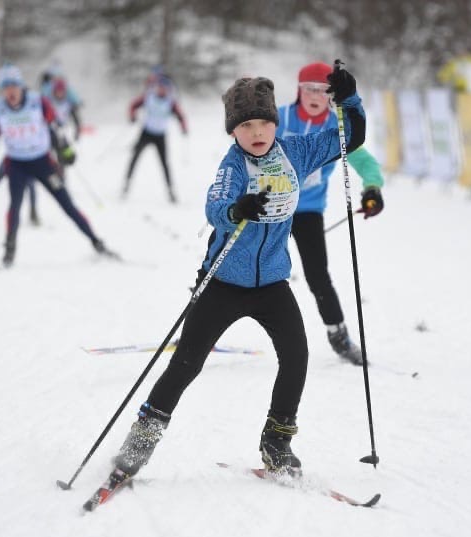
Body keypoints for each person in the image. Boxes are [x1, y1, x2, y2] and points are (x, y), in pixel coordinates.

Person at [104, 63, 368, 491]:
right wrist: (236, 210)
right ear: (233, 131)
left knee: (296, 357)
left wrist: (349, 100)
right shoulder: (232, 166)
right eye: (247, 124)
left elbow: (349, 137)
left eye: (264, 121)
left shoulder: (295, 152)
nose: (258, 131)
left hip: (272, 286)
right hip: (224, 282)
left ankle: (276, 444)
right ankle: (138, 445)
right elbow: (215, 206)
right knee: (186, 364)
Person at [276, 62, 384, 365]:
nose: (315, 95)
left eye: (323, 90)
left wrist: (372, 188)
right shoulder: (279, 117)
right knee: (238, 262)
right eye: (309, 88)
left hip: (308, 210)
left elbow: (365, 163)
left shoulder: (336, 126)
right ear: (299, 90)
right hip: (272, 207)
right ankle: (197, 323)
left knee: (317, 276)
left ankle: (339, 336)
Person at [0, 64, 115, 267]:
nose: (11, 91)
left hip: (42, 162)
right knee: (15, 205)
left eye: (14, 86)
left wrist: (66, 149)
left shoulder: (38, 101)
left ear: (21, 87)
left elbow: (56, 127)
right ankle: (9, 251)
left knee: (67, 204)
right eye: (6, 87)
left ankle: (96, 242)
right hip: (16, 163)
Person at [122, 69, 188, 202]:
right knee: (134, 158)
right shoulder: (149, 96)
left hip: (160, 136)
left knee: (164, 164)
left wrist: (183, 127)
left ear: (168, 89)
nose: (161, 90)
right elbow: (133, 105)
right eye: (159, 87)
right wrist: (132, 116)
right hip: (146, 133)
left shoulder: (170, 101)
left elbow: (180, 115)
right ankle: (126, 185)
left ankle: (170, 192)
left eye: (164, 88)